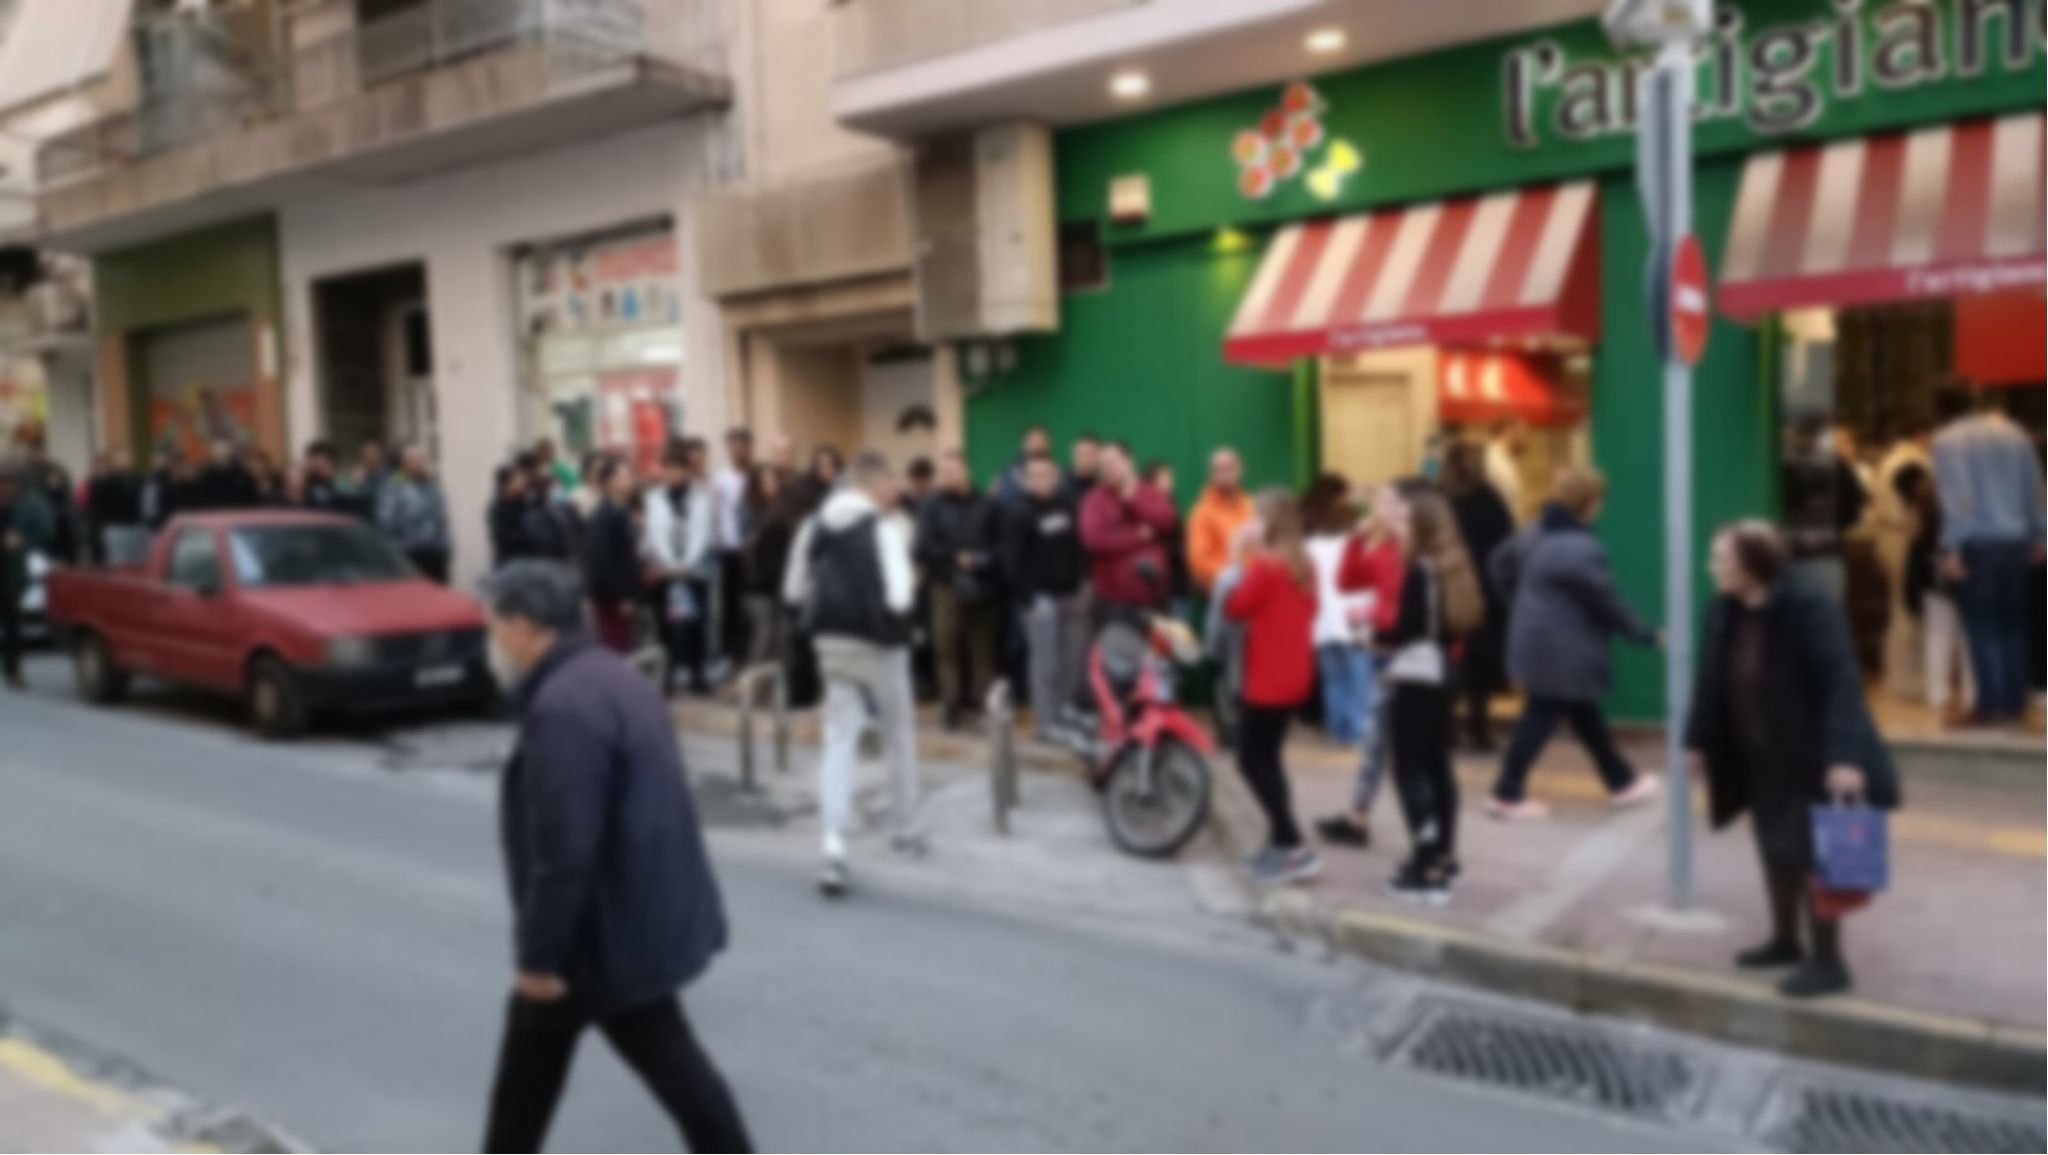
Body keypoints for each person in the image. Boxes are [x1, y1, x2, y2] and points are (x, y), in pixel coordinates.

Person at [478, 561, 752, 1152]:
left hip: (601, 938)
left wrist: (538, 958)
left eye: (492, 625)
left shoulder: (563, 708)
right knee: (536, 1067)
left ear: (523, 626)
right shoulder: (614, 676)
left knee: (668, 1069)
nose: (490, 639)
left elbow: (565, 849)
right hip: (629, 919)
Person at [1686, 521, 1900, 999]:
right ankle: (1785, 941)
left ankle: (1829, 962)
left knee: (1814, 857)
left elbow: (1842, 684)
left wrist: (1845, 757)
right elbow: (1709, 680)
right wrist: (1696, 741)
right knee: (1774, 849)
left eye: (1721, 559)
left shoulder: (1811, 608)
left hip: (1811, 754)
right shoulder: (1723, 609)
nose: (1712, 567)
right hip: (1757, 754)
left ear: (1752, 565)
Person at [783, 451, 922, 896]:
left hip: (830, 642)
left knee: (839, 740)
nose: (894, 491)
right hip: (879, 645)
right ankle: (906, 830)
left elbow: (793, 590)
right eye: (890, 483)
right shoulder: (882, 529)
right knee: (898, 735)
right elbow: (900, 598)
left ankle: (833, 846)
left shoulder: (814, 526)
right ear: (874, 485)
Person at [1488, 467, 1661, 818]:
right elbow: (1608, 602)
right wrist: (1643, 633)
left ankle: (1621, 781)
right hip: (1565, 647)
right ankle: (1506, 792)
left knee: (1582, 713)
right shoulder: (1583, 549)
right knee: (1542, 715)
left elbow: (1497, 566)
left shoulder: (1532, 532)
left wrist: (1521, 604)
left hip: (1538, 641)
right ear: (1592, 502)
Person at [1930, 381, 2046, 726]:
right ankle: (2015, 704)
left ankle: (1992, 707)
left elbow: (1958, 497)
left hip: (1978, 542)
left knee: (1983, 627)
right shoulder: (2015, 433)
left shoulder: (1948, 440)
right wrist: (2042, 534)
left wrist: (1952, 548)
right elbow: (2035, 488)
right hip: (2018, 541)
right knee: (2014, 625)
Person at [1224, 490, 1321, 887]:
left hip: (1268, 676)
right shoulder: (1303, 563)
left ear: (1273, 523)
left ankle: (1292, 843)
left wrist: (1236, 555)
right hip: (1295, 671)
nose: (1251, 524)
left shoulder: (1267, 566)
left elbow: (1234, 607)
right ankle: (1280, 843)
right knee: (1268, 759)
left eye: (1257, 517)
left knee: (1250, 760)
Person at [1382, 492, 1473, 901]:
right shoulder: (1456, 566)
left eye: (1406, 519)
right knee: (1438, 768)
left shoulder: (1420, 570)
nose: (1399, 526)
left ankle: (1426, 865)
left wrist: (1369, 633)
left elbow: (1406, 628)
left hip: (1418, 679)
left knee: (1408, 769)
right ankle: (1445, 857)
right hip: (1445, 675)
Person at [1316, 483, 1413, 849]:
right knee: (1377, 743)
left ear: (1405, 510)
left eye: (1386, 502)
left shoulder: (1409, 550)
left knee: (1399, 749)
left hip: (1402, 656)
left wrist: (1381, 623)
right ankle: (1357, 816)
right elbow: (1347, 582)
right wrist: (1356, 539)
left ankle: (1424, 835)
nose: (1378, 510)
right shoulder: (1383, 547)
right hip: (1384, 652)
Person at [1002, 452, 1089, 742]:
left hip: (1070, 598)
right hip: (1040, 601)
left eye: (1046, 475)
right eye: (1034, 476)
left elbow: (1078, 548)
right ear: (1026, 480)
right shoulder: (1018, 513)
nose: (1040, 480)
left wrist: (1081, 585)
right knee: (1045, 664)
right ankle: (1046, 723)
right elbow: (1011, 562)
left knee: (1070, 662)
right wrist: (1027, 601)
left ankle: (1064, 713)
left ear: (1056, 477)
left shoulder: (1067, 505)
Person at [917, 450, 999, 730]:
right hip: (946, 586)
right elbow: (923, 547)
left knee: (982, 652)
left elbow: (999, 543)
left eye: (953, 471)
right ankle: (950, 709)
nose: (949, 476)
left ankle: (983, 708)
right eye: (944, 472)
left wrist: (981, 559)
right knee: (946, 650)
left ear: (967, 471)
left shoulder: (986, 503)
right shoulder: (931, 506)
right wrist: (955, 557)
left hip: (982, 587)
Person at [1442, 442, 1516, 752]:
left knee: (1447, 660)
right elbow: (1508, 544)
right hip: (1484, 592)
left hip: (1447, 588)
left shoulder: (1441, 499)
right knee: (1480, 668)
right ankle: (1479, 728)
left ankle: (1447, 729)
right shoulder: (1490, 499)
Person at [1898, 464, 1974, 719]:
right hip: (1964, 572)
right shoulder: (1968, 497)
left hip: (1932, 574)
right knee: (1967, 636)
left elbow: (1916, 545)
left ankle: (1936, 692)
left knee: (1937, 636)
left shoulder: (1925, 496)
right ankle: (1972, 691)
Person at [1079, 440, 1178, 625]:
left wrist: (1132, 499)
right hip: (1114, 604)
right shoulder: (1094, 499)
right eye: (1103, 465)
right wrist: (1139, 535)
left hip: (1155, 598)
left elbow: (1166, 522)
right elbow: (1094, 540)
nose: (1107, 469)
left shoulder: (1151, 491)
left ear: (1129, 460)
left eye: (1112, 462)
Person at [1304, 477, 1372, 746]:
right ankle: (1358, 731)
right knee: (1359, 679)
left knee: (1333, 680)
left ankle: (1337, 730)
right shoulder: (1357, 546)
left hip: (1322, 625)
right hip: (1355, 622)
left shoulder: (1310, 546)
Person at [644, 440, 715, 695]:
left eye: (677, 468)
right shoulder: (654, 498)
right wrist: (671, 565)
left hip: (694, 571)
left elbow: (702, 533)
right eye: (668, 469)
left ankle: (698, 675)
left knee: (696, 624)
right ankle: (667, 676)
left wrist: (687, 564)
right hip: (666, 572)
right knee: (666, 627)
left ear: (686, 470)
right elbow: (655, 534)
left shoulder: (700, 496)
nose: (672, 474)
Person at [1873, 418, 1935, 702]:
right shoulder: (1913, 462)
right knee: (1909, 611)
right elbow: (1920, 506)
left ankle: (1898, 675)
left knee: (1899, 608)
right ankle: (1908, 678)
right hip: (1904, 538)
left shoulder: (1889, 460)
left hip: (1889, 536)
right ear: (1922, 435)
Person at [0, 468, 54, 690]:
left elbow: (45, 531)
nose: (6, 488)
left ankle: (13, 669)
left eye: (9, 483)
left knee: (12, 622)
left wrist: (23, 540)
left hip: (11, 569)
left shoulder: (29, 504)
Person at [584, 459, 644, 654]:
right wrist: (621, 596)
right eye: (624, 476)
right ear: (610, 482)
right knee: (616, 649)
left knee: (626, 646)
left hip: (622, 594)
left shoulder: (621, 510)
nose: (630, 479)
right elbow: (603, 559)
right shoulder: (604, 515)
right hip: (611, 598)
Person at [740, 465, 796, 669]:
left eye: (774, 480)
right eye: (766, 481)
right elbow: (750, 547)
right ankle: (752, 678)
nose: (772, 485)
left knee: (783, 635)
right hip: (758, 584)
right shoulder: (750, 511)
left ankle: (779, 681)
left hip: (782, 579)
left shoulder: (786, 509)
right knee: (764, 633)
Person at [377, 443, 452, 582]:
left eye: (421, 460)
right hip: (408, 555)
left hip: (435, 555)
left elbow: (442, 519)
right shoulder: (394, 487)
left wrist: (445, 546)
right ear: (404, 464)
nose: (419, 464)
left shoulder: (432, 487)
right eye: (414, 460)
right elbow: (386, 522)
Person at [713, 428, 755, 668]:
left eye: (743, 446)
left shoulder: (756, 476)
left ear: (750, 448)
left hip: (752, 550)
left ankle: (750, 650)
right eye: (734, 446)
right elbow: (715, 514)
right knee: (730, 604)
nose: (739, 451)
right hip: (729, 548)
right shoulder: (720, 479)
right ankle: (730, 653)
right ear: (728, 449)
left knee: (751, 604)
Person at [1187, 447, 1254, 595]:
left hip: (1256, 588)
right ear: (1211, 474)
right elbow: (1200, 562)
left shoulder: (1251, 506)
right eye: (1217, 469)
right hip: (1224, 592)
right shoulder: (1202, 513)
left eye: (1228, 467)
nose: (1223, 473)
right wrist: (1237, 576)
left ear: (1240, 470)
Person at [1141, 460, 1190, 612]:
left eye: (1170, 478)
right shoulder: (1144, 510)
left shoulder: (1172, 505)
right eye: (1164, 478)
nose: (1169, 483)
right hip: (1158, 586)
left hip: (1178, 584)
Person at [84, 448, 144, 565]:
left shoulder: (138, 479)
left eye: (125, 457)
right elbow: (96, 503)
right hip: (115, 528)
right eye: (119, 458)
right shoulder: (106, 481)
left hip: (136, 526)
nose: (123, 460)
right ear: (114, 461)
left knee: (137, 562)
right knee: (118, 564)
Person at [188, 438, 261, 511]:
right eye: (218, 453)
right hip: (212, 513)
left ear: (229, 453)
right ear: (212, 454)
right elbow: (200, 500)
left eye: (223, 452)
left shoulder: (242, 475)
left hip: (239, 513)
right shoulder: (205, 477)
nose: (221, 455)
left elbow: (251, 498)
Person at [995, 424, 1057, 509]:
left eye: (1041, 440)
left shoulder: (1058, 471)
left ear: (1049, 443)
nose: (1037, 445)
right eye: (1033, 441)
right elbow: (996, 495)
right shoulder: (1010, 470)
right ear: (1023, 443)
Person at [490, 465, 539, 569]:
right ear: (507, 485)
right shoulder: (499, 509)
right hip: (510, 564)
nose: (522, 483)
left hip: (530, 562)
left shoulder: (525, 504)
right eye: (517, 480)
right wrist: (530, 536)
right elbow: (505, 537)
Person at [1484, 418, 1530, 522]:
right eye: (1523, 433)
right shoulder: (1495, 461)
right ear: (1508, 432)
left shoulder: (1504, 459)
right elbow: (1505, 504)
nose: (1525, 439)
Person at [349, 440, 389, 512]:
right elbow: (351, 498)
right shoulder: (356, 475)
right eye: (368, 455)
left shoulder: (386, 476)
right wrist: (356, 485)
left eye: (374, 455)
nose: (371, 458)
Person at [1068, 434, 1102, 501]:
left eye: (1089, 454)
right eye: (1080, 454)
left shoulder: (1102, 487)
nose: (1084, 459)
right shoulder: (1058, 484)